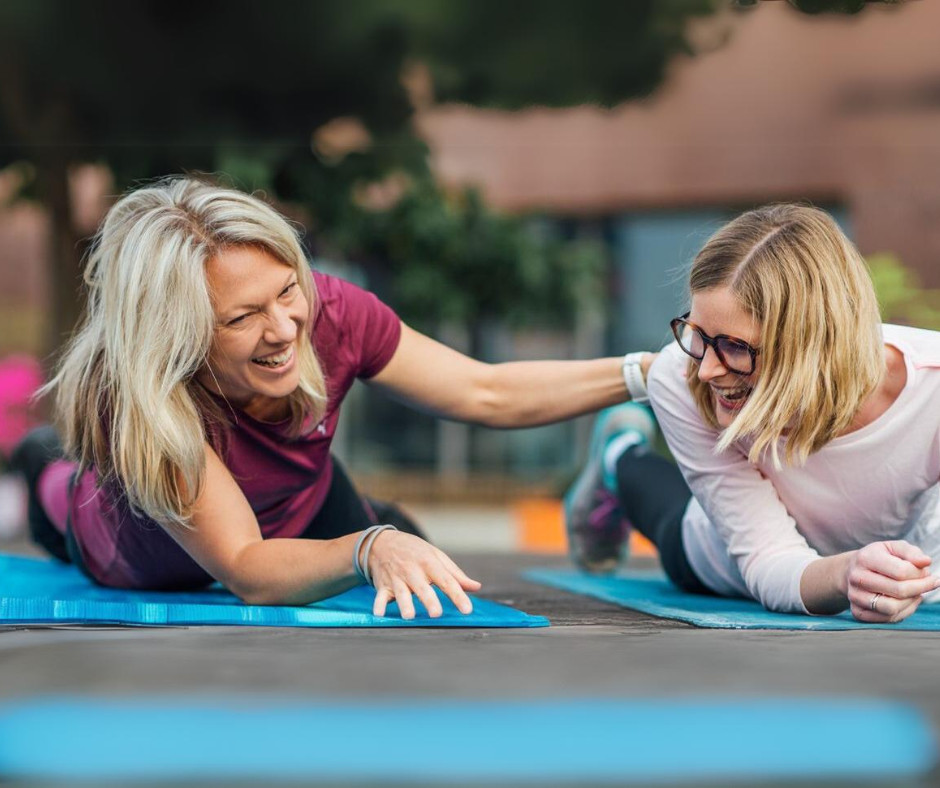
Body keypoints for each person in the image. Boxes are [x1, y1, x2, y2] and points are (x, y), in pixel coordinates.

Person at [13, 176, 652, 620]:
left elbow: (485, 391)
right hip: (138, 550)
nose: (285, 330)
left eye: (287, 292)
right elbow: (244, 564)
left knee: (425, 568)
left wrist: (643, 373)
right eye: (242, 320)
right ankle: (36, 457)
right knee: (56, 477)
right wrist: (369, 546)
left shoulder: (329, 312)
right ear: (177, 338)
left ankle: (376, 521)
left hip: (303, 506)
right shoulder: (146, 399)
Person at [565, 204, 940, 624]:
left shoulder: (932, 386)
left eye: (735, 347)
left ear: (812, 344)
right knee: (668, 516)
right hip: (721, 560)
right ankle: (617, 452)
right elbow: (768, 558)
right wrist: (845, 574)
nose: (706, 369)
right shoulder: (679, 376)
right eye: (697, 335)